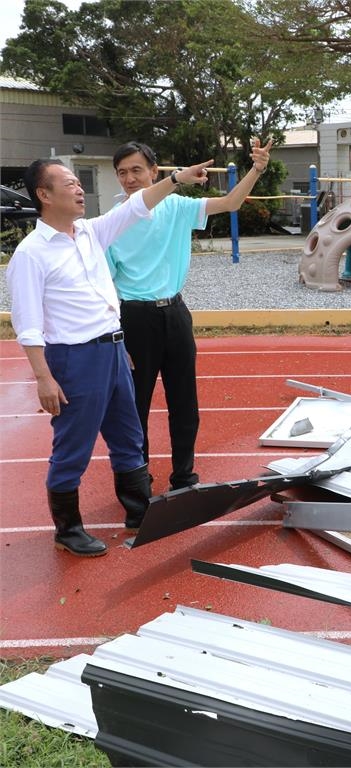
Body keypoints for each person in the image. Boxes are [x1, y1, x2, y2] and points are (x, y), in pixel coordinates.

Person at [7, 157, 214, 557]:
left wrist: (175, 179)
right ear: (44, 195)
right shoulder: (31, 254)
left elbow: (138, 206)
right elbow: (28, 323)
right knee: (74, 444)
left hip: (115, 351)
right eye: (68, 183)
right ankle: (68, 529)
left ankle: (139, 512)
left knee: (129, 437)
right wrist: (44, 378)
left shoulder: (89, 233)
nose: (79, 188)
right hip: (73, 359)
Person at [106, 138, 273, 491]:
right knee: (134, 406)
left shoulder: (178, 207)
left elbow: (231, 202)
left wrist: (257, 168)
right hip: (134, 319)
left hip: (175, 314)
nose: (130, 179)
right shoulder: (113, 221)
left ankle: (184, 477)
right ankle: (139, 479)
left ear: (155, 171)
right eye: (122, 173)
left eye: (137, 170)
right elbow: (104, 286)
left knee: (185, 402)